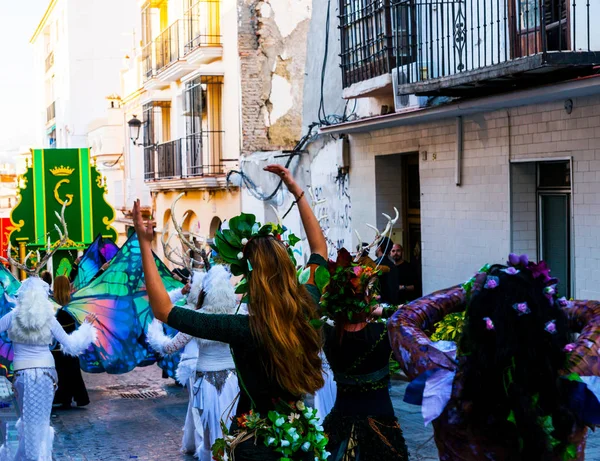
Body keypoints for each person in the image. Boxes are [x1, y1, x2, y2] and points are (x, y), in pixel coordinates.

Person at [133, 163, 328, 461]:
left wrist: (144, 245)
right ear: (289, 270)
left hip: (256, 445)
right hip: (300, 439)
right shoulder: (306, 305)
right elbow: (319, 251)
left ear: (252, 279)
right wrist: (296, 192)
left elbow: (163, 310)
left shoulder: (243, 328)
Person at [390, 255, 600, 460]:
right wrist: (540, 303)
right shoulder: (571, 382)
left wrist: (468, 291)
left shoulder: (449, 385)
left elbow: (402, 320)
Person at [318, 247, 409, 460]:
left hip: (340, 423)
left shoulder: (328, 335)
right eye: (370, 292)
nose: (375, 295)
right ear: (364, 298)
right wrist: (384, 310)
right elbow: (408, 313)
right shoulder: (383, 332)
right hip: (380, 424)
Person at [148, 265, 239, 460]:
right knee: (232, 428)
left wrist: (155, 331)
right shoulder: (238, 316)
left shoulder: (197, 319)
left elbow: (169, 347)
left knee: (208, 434)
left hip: (206, 383)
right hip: (232, 382)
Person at [0, 277, 97, 459]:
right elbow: (71, 345)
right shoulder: (49, 319)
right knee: (41, 422)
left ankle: (28, 456)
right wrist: (86, 327)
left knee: (28, 421)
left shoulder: (12, 317)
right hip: (46, 374)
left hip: (21, 374)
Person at [52, 275, 91, 408]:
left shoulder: (51, 304)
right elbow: (90, 288)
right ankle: (74, 398)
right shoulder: (73, 302)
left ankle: (62, 398)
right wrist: (102, 270)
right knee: (73, 373)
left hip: (55, 347)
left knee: (59, 372)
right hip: (70, 343)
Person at [375, 237, 399, 305]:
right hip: (392, 303)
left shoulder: (376, 266)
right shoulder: (393, 266)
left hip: (381, 304)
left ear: (379, 248)